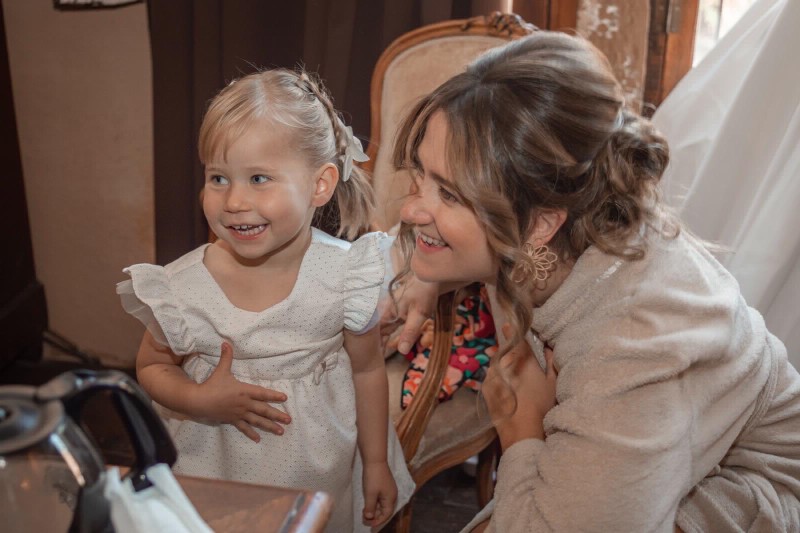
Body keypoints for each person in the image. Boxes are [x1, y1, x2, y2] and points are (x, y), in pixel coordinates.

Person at [385, 31, 800, 532]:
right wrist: (430, 277)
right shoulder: (561, 222)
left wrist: (522, 436)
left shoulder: (634, 346)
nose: (409, 210)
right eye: (420, 178)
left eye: (448, 195)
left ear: (539, 224)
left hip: (746, 490)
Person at [116, 68, 414, 532]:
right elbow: (152, 366)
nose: (233, 200)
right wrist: (197, 399)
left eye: (259, 178)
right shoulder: (183, 288)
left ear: (320, 184)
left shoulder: (344, 276)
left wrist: (376, 463)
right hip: (212, 470)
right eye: (218, 178)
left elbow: (368, 369)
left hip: (317, 471)